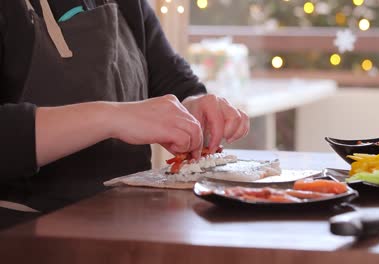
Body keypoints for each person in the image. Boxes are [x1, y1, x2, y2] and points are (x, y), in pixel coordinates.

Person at [0, 0, 249, 229]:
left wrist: (195, 105)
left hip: (128, 223)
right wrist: (111, 118)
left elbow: (175, 82)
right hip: (27, 232)